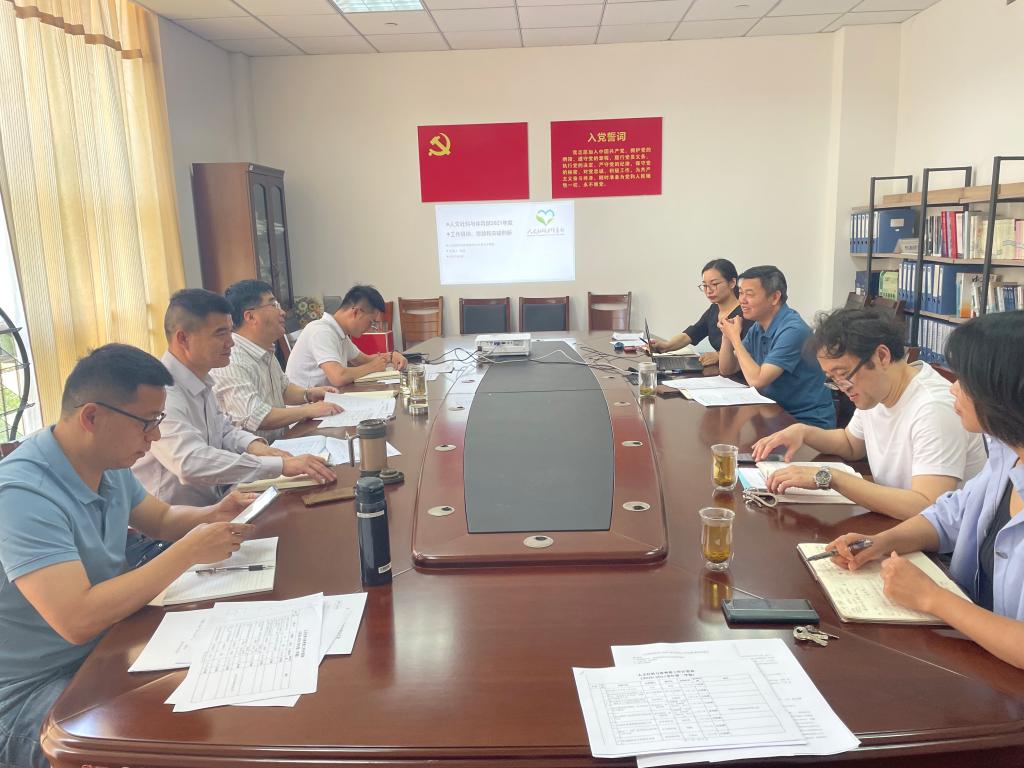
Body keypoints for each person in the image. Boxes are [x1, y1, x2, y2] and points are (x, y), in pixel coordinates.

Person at [0, 344, 257, 768]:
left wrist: (215, 513)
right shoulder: (21, 494)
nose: (154, 436)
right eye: (147, 423)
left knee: (223, 703)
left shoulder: (108, 463)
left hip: (107, 648)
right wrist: (187, 553)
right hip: (32, 688)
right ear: (91, 417)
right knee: (156, 746)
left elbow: (162, 519)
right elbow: (76, 619)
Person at [827, 311, 1024, 669]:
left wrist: (932, 598)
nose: (953, 388)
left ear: (1005, 392)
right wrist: (880, 542)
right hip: (975, 655)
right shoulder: (1006, 454)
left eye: (965, 381)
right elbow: (950, 515)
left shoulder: (937, 409)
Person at [752, 307, 987, 519]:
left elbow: (926, 506)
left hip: (939, 543)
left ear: (882, 356)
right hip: (891, 519)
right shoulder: (877, 391)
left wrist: (830, 477)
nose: (842, 388)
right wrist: (803, 432)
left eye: (842, 375)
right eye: (832, 379)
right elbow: (850, 443)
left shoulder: (934, 408)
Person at [133, 289, 335, 507]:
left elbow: (224, 429)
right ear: (183, 338)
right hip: (177, 518)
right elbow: (189, 462)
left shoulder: (201, 378)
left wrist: (256, 446)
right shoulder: (162, 391)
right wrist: (279, 466)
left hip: (215, 503)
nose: (231, 342)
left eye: (230, 332)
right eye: (220, 334)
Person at [212, 280, 343, 442]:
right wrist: (308, 410)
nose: (282, 312)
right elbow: (255, 416)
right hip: (254, 453)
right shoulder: (232, 359)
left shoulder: (264, 348)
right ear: (251, 316)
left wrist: (309, 394)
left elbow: (282, 389)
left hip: (281, 443)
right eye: (273, 305)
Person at [718, 265, 835, 429]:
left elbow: (757, 380)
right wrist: (726, 336)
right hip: (774, 413)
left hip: (804, 421)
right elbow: (727, 369)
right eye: (741, 293)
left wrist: (735, 338)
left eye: (749, 294)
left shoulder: (793, 330)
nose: (741, 300)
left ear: (774, 297)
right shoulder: (759, 326)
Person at [286, 284, 406, 388]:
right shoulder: (322, 331)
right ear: (356, 312)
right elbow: (338, 377)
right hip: (306, 405)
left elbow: (362, 360)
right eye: (371, 322)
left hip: (324, 400)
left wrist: (390, 356)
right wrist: (372, 367)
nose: (370, 328)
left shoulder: (339, 333)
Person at [649, 258, 753, 367]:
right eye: (705, 286)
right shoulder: (714, 309)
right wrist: (666, 346)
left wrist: (719, 355)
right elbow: (692, 333)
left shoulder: (746, 313)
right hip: (721, 371)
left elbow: (750, 350)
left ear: (732, 283)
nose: (708, 290)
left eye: (714, 284)